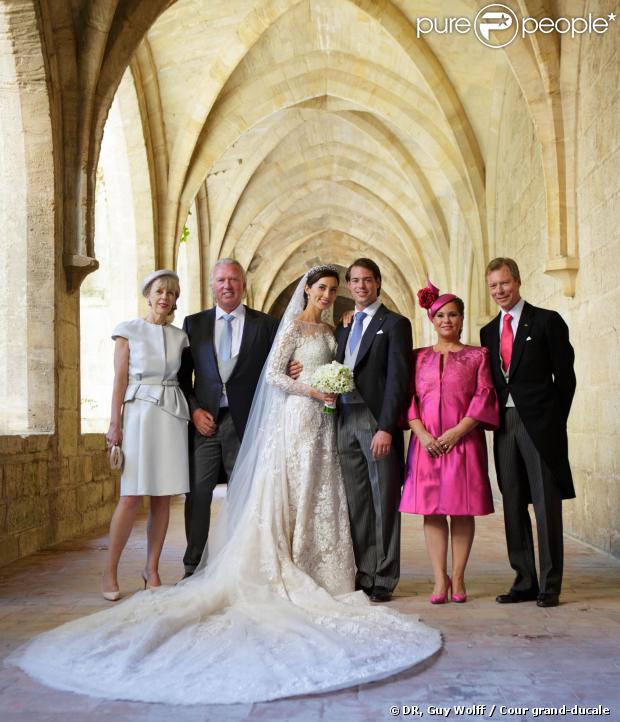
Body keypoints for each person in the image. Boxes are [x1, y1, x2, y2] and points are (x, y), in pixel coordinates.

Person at [11, 265, 440, 705]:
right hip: (281, 418)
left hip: (321, 426)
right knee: (242, 496)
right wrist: (311, 391)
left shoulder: (330, 328)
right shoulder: (239, 325)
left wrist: (323, 377)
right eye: (323, 288)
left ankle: (321, 566)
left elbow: (328, 363)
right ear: (307, 289)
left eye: (334, 289)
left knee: (320, 496)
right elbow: (261, 375)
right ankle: (206, 564)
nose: (329, 294)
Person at [480, 258, 576, 608]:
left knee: (546, 505)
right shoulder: (488, 332)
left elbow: (566, 378)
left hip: (540, 426)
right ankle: (524, 579)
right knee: (513, 502)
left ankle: (549, 585)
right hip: (504, 427)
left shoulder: (547, 321)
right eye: (493, 286)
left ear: (517, 282)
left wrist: (554, 421)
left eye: (504, 283)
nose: (500, 291)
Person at [178, 258, 279, 577]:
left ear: (243, 285)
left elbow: (275, 370)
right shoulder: (194, 324)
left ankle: (239, 563)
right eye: (221, 280)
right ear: (211, 285)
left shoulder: (265, 326)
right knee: (197, 493)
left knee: (244, 494)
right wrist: (194, 411)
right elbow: (182, 378)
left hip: (247, 423)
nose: (227, 285)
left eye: (233, 279)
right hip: (204, 423)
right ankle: (193, 564)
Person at [400, 282, 499, 604]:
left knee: (461, 510)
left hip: (464, 441)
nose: (447, 320)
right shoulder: (417, 358)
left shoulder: (477, 356)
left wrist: (458, 431)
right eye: (440, 315)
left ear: (462, 319)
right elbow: (409, 399)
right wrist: (423, 435)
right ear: (432, 319)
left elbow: (484, 395)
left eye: (453, 315)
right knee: (431, 510)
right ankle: (438, 579)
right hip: (426, 443)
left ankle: (458, 577)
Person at [102, 269, 190, 601]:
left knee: (163, 497)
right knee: (130, 497)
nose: (165, 297)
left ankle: (151, 569)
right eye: (159, 291)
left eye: (171, 293)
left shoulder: (181, 338)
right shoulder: (127, 331)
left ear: (174, 301)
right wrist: (115, 423)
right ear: (148, 295)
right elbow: (119, 381)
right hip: (138, 414)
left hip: (170, 415)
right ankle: (109, 572)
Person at [335, 258, 412, 603]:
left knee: (384, 500)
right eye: (355, 281)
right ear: (348, 285)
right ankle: (364, 571)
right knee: (358, 501)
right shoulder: (345, 325)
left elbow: (398, 378)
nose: (361, 286)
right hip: (343, 418)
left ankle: (384, 574)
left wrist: (386, 427)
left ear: (378, 283)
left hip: (374, 420)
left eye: (367, 280)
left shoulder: (395, 324)